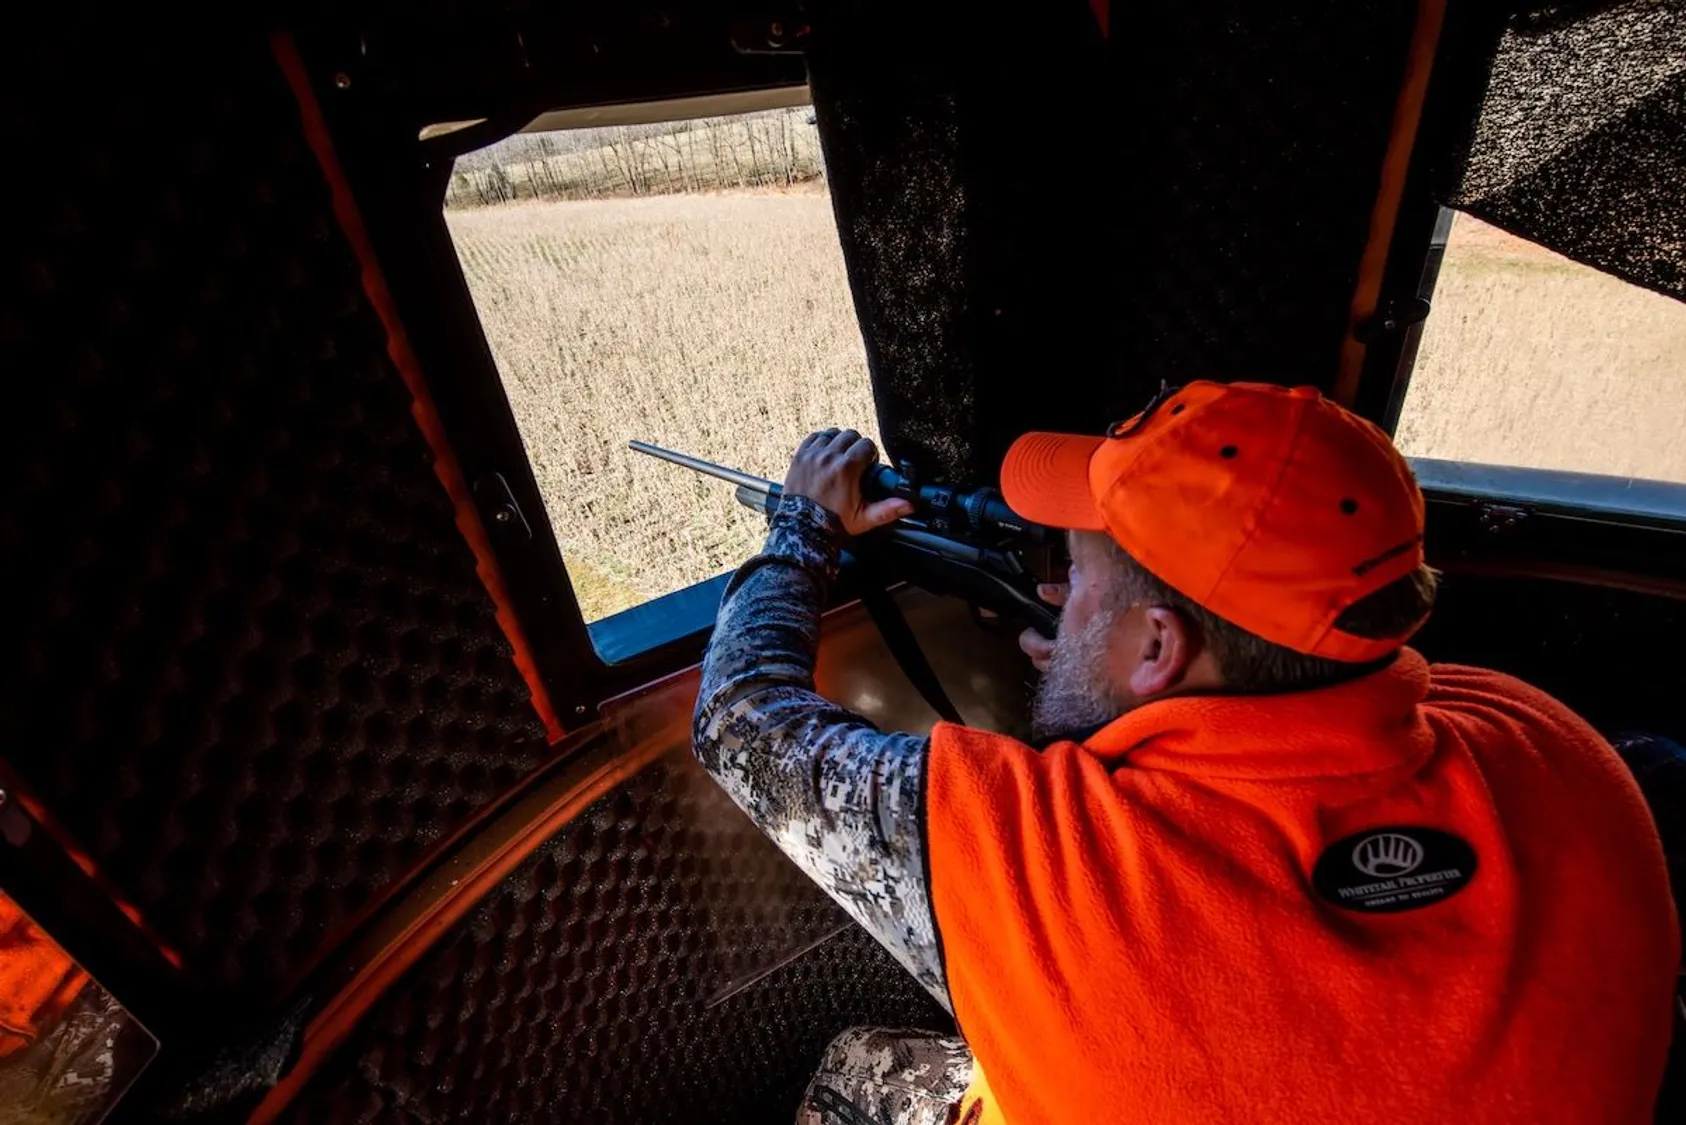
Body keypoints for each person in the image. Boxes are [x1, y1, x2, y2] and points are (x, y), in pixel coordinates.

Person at [691, 380, 1680, 1124]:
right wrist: (1105, 668)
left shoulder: (1044, 860)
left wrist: (802, 527)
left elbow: (740, 716)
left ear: (1162, 645)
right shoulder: (1557, 746)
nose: (1057, 599)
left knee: (860, 1064)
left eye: (1076, 580)